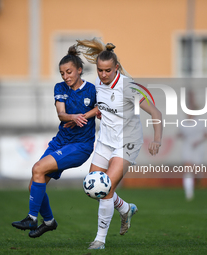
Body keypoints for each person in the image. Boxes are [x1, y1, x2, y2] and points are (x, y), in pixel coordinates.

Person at [76, 38, 163, 249]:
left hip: (127, 141)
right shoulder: (97, 84)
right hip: (105, 140)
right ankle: (124, 208)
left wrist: (157, 139)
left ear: (116, 68)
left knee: (105, 188)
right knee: (92, 188)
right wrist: (99, 112)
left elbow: (155, 112)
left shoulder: (128, 87)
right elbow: (104, 106)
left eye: (108, 71)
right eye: (100, 70)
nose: (103, 75)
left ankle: (100, 240)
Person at [12, 45, 98, 238]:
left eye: (69, 72)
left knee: (38, 169)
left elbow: (100, 109)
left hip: (80, 146)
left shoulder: (92, 90)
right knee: (33, 183)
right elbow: (61, 114)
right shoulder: (60, 88)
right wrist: (72, 117)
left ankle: (32, 218)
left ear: (79, 70)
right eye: (62, 73)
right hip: (60, 142)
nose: (65, 76)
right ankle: (49, 221)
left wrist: (84, 115)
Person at [177, 96, 207, 201]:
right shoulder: (183, 123)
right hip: (187, 147)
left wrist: (197, 141)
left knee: (196, 169)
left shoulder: (200, 123)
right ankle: (189, 193)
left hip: (198, 148)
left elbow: (206, 135)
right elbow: (180, 134)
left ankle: (199, 178)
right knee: (187, 168)